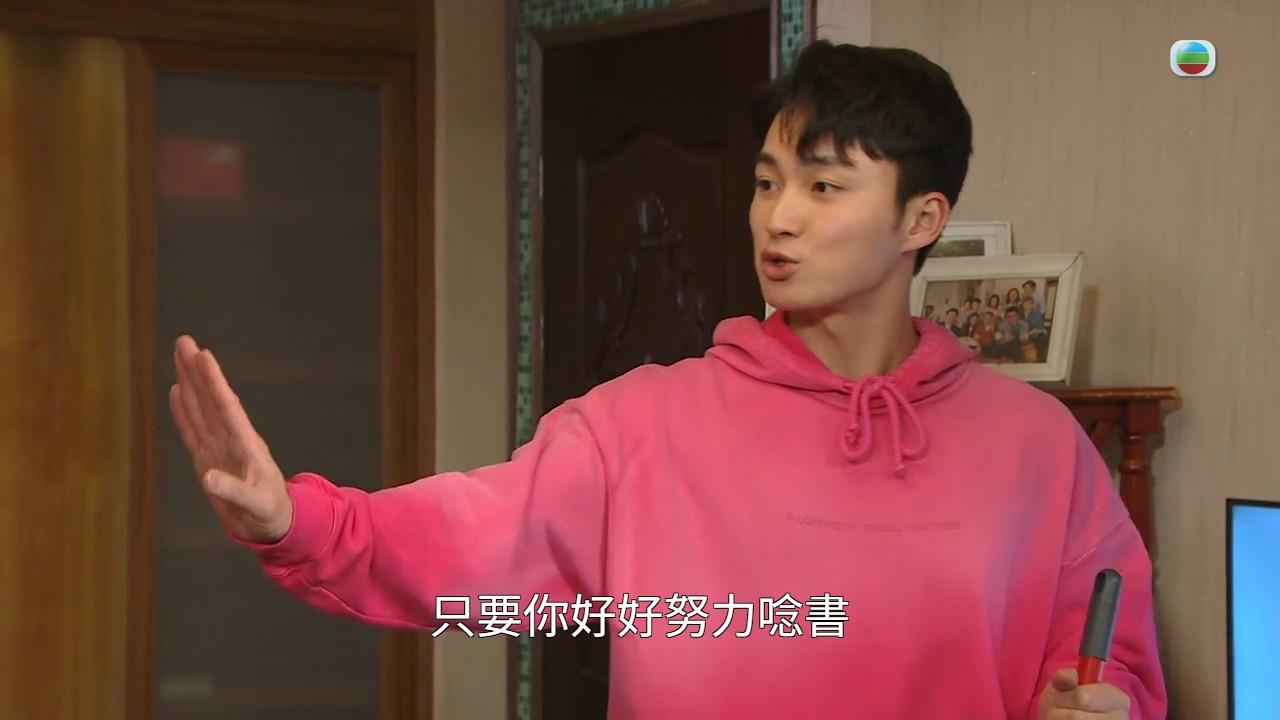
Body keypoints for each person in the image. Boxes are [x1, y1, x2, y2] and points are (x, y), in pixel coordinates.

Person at [168, 40, 1166, 720]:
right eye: (767, 182)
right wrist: (295, 522)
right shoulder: (643, 423)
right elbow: (466, 537)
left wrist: (1098, 701)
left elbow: (1106, 650)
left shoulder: (1035, 447)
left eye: (823, 186)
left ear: (921, 219)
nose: (778, 217)